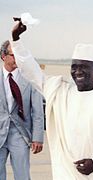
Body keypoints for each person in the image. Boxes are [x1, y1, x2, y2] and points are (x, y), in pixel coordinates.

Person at [10, 20, 93, 179]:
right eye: (74, 66)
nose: (78, 71)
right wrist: (16, 40)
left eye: (84, 67)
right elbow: (31, 71)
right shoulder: (61, 93)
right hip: (69, 173)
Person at [0, 39, 44, 180]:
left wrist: (38, 137)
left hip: (20, 133)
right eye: (13, 55)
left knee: (22, 175)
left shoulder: (30, 78)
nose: (17, 58)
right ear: (3, 56)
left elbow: (38, 110)